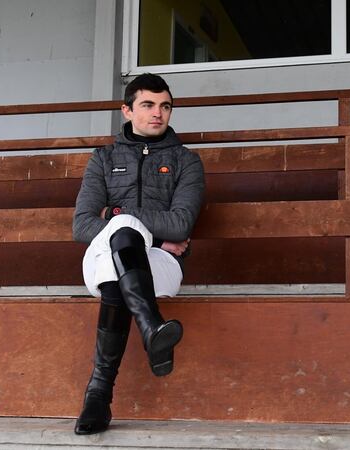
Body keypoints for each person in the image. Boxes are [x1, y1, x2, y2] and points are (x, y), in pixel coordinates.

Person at [71, 73, 205, 435]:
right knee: (122, 238)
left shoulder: (186, 161)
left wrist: (118, 216)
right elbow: (82, 226)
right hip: (101, 259)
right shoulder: (102, 158)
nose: (158, 113)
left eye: (165, 106)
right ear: (127, 110)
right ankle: (151, 327)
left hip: (162, 266)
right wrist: (140, 231)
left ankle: (98, 395)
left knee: (120, 261)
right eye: (148, 105)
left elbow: (179, 225)